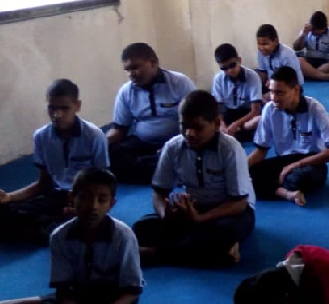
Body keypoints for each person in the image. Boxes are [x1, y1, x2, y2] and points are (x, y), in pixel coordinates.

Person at [0, 167, 143, 304]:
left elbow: (132, 291)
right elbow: (62, 290)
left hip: (114, 302)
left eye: (102, 200)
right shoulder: (59, 237)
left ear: (111, 204)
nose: (93, 206)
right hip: (77, 297)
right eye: (85, 198)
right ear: (71, 198)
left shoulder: (124, 236)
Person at [134, 91, 256, 266]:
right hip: (194, 210)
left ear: (216, 124)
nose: (189, 133)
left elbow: (239, 204)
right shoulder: (173, 147)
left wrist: (202, 218)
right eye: (184, 126)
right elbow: (159, 193)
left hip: (230, 213)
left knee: (222, 234)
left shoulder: (230, 149)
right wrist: (165, 214)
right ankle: (215, 253)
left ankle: (156, 254)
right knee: (141, 227)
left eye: (198, 127)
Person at [0, 79, 109, 244]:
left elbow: (103, 183)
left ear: (77, 106)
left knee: (84, 220)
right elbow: (43, 184)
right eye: (52, 108)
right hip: (56, 197)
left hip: (83, 199)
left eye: (64, 108)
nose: (57, 114)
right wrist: (9, 197)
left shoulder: (94, 135)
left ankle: (30, 230)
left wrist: (81, 201)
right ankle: (50, 227)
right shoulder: (41, 137)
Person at [249, 66, 329, 206]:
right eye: (271, 92)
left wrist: (297, 164)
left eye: (280, 93)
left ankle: (274, 187)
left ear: (296, 90)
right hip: (284, 160)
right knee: (247, 175)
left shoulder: (315, 108)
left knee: (298, 178)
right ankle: (285, 193)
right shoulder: (269, 109)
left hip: (311, 162)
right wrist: (240, 169)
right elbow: (261, 151)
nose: (274, 98)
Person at [108, 42, 196, 184]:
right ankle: (163, 168)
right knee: (111, 152)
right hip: (144, 144)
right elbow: (119, 129)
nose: (131, 74)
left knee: (192, 150)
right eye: (127, 70)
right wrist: (101, 142)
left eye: (135, 67)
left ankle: (155, 168)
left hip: (178, 142)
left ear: (153, 62)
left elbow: (195, 123)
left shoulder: (180, 83)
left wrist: (174, 144)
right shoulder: (126, 91)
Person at [212, 43, 263, 143]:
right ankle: (233, 133)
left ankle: (235, 133)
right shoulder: (218, 79)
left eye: (232, 65)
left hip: (247, 116)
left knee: (259, 120)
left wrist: (236, 124)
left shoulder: (252, 76)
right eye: (224, 68)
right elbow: (217, 109)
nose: (229, 70)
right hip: (228, 115)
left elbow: (255, 111)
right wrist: (222, 124)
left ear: (239, 60)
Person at [293, 11, 329, 82]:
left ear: (324, 28)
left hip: (325, 63)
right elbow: (296, 48)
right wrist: (302, 36)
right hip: (308, 61)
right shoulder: (306, 31)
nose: (313, 31)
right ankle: (324, 77)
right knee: (298, 60)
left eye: (316, 30)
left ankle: (310, 74)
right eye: (313, 29)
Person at [256, 23, 304, 87]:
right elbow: (262, 72)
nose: (261, 48)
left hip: (289, 86)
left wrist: (272, 84)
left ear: (276, 41)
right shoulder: (261, 52)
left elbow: (292, 80)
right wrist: (258, 86)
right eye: (259, 44)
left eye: (265, 44)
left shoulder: (287, 55)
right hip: (272, 84)